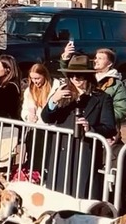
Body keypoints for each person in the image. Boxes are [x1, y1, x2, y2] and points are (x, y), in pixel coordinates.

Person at [41, 55, 116, 199]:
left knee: (82, 193)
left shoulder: (102, 98)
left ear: (88, 77)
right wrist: (53, 101)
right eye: (72, 75)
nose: (76, 79)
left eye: (80, 76)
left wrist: (90, 129)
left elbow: (109, 127)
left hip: (86, 151)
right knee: (58, 193)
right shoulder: (63, 93)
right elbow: (46, 118)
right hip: (62, 149)